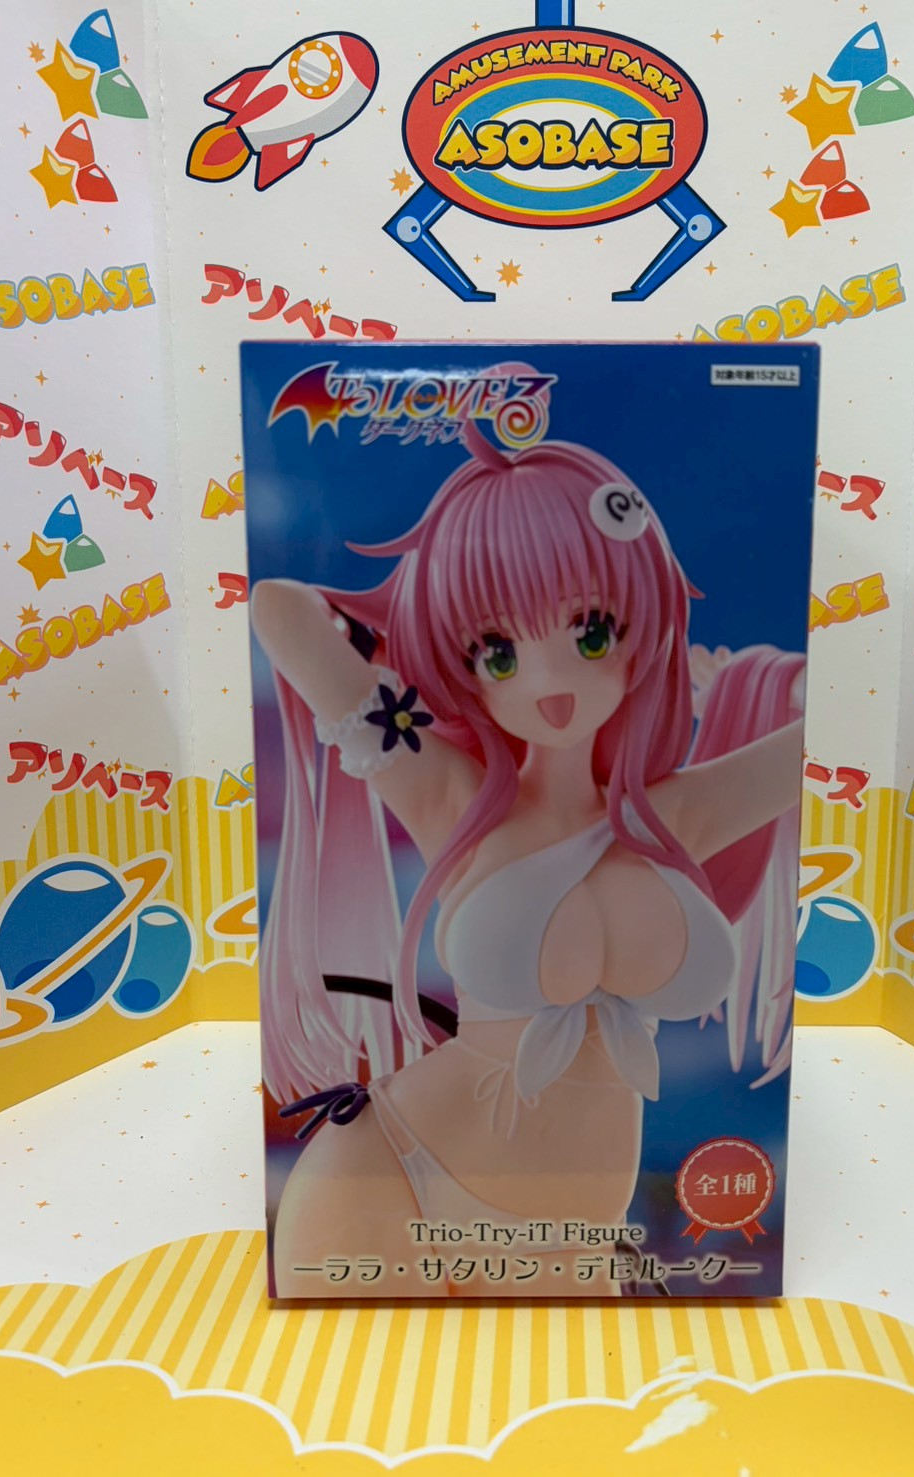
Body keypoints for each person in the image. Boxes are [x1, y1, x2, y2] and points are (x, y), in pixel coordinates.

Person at [252, 422, 805, 1296]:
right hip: (395, 1178)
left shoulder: (670, 818)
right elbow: (278, 606)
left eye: (591, 633)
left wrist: (761, 678)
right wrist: (412, 626)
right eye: (499, 651)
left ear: (642, 630)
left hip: (580, 1233)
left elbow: (817, 736)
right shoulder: (454, 797)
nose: (547, 682)